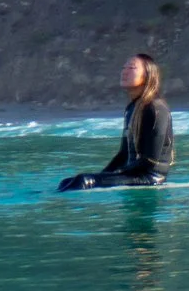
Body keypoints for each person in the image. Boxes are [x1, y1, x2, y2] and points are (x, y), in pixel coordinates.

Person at [58, 53, 174, 190]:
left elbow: (150, 160)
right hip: (133, 173)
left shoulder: (156, 108)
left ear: (147, 76)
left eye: (131, 68)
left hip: (150, 177)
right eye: (123, 67)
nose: (124, 72)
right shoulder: (132, 108)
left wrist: (111, 175)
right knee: (67, 182)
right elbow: (123, 154)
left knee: (83, 181)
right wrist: (102, 175)